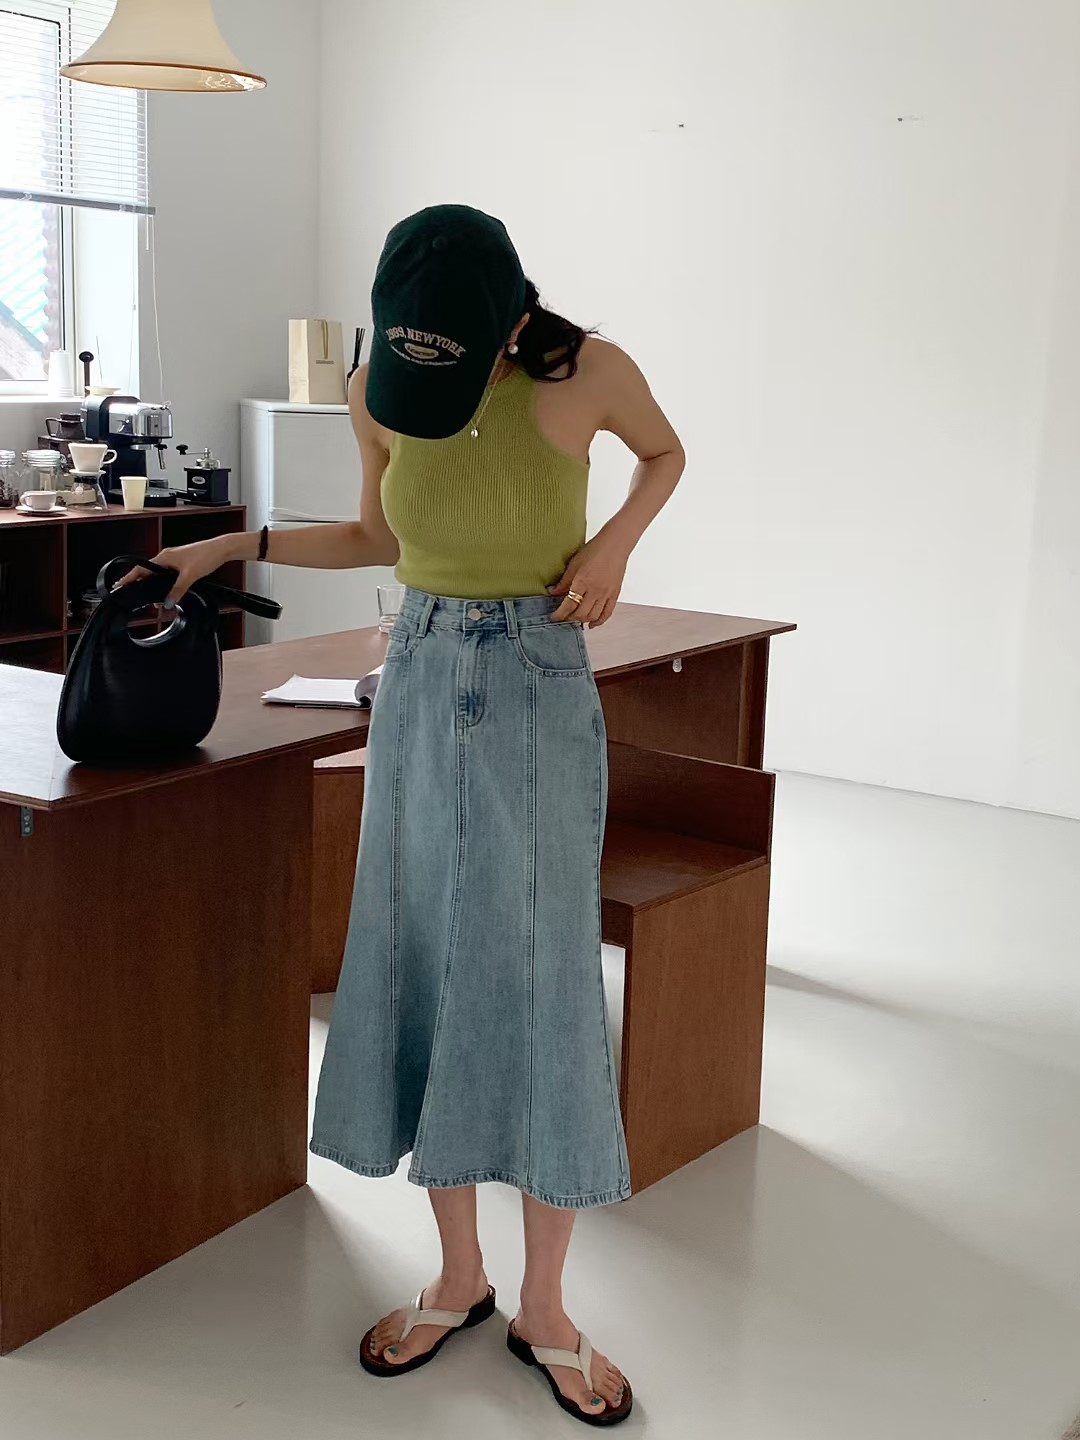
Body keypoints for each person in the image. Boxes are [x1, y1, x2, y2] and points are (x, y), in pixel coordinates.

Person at [125, 205, 684, 1425]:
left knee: (540, 977)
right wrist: (225, 548)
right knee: (419, 955)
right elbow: (378, 535)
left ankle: (546, 1307)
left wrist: (613, 548)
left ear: (512, 318)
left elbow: (664, 455)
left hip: (539, 670)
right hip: (421, 670)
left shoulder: (591, 370)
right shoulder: (383, 385)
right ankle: (460, 1278)